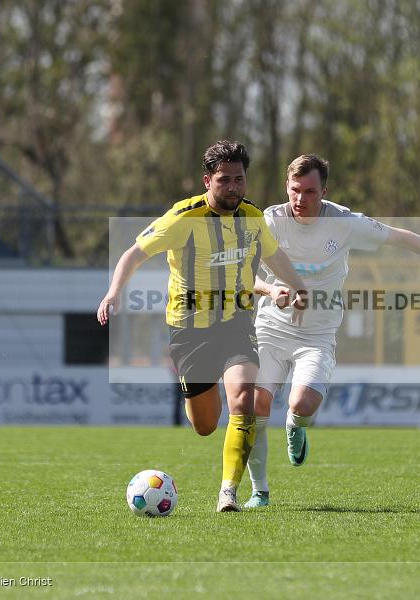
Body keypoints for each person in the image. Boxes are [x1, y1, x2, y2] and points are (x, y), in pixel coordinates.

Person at [243, 154, 420, 508]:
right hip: (271, 328)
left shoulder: (344, 222)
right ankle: (259, 491)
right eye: (295, 190)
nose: (300, 199)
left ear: (324, 191)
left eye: (309, 192)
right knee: (254, 406)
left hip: (317, 335)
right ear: (286, 187)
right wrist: (272, 290)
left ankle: (296, 426)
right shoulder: (270, 221)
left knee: (302, 404)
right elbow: (242, 273)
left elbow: (400, 237)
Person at [97, 140, 307, 512]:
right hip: (190, 331)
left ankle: (228, 491)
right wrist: (113, 293)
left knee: (244, 398)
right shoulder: (183, 218)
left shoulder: (253, 218)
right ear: (207, 180)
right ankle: (209, 425)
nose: (233, 187)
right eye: (225, 180)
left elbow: (275, 256)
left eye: (239, 180)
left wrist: (299, 288)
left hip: (237, 323)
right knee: (205, 425)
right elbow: (133, 253)